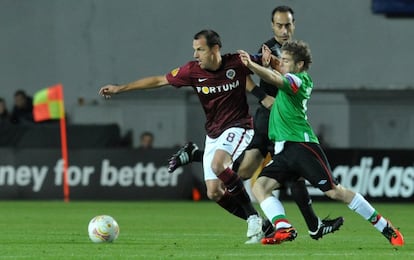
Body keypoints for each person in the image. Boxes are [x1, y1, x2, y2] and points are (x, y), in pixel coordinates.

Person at [168, 5, 344, 242]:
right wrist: (264, 97)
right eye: (279, 25)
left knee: (254, 171)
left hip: (283, 120)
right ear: (272, 26)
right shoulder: (268, 48)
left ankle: (313, 226)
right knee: (256, 171)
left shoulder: (294, 52)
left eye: (288, 25)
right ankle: (312, 226)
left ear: (294, 25)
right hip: (267, 117)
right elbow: (245, 76)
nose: (284, 29)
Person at [99, 29, 273, 243]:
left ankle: (254, 218)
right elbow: (158, 80)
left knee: (219, 166)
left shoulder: (237, 61)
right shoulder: (192, 71)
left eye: (200, 49)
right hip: (213, 133)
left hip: (240, 126)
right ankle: (264, 225)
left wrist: (269, 61)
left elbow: (266, 61)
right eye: (194, 50)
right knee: (214, 192)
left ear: (215, 49)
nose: (195, 55)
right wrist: (120, 88)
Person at [238, 40, 404, 246]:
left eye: (287, 60)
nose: (283, 63)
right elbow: (278, 69)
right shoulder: (289, 73)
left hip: (301, 146)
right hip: (283, 150)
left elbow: (276, 77)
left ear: (299, 65)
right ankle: (283, 227)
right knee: (260, 187)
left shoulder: (300, 80)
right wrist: (270, 60)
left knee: (334, 191)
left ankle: (384, 227)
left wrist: (252, 66)